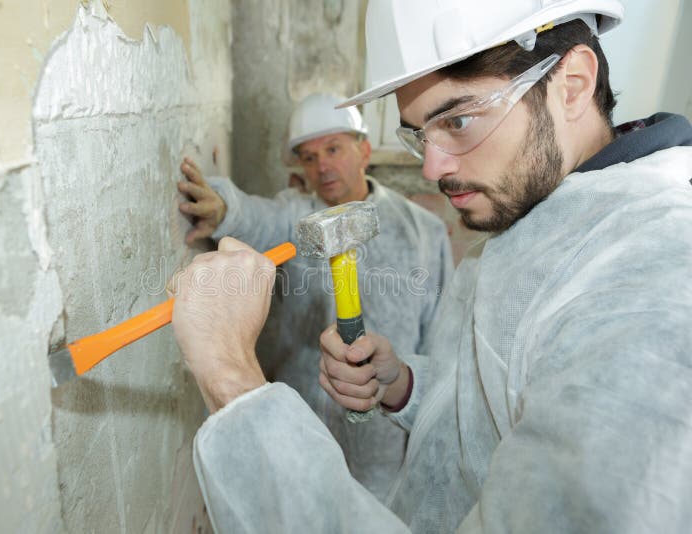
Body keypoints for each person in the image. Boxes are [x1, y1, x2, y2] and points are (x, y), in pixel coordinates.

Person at [170, 1, 692, 532]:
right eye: (419, 133)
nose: (432, 167)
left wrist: (231, 378)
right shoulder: (539, 221)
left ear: (574, 83)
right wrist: (406, 383)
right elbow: (499, 401)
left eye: (458, 119)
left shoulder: (655, 294)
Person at [177, 92, 453, 498]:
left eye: (333, 148)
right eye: (308, 157)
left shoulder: (422, 230)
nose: (322, 165)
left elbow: (439, 338)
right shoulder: (297, 216)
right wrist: (223, 211)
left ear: (363, 149)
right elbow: (257, 218)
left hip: (383, 438)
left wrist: (418, 417)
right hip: (302, 420)